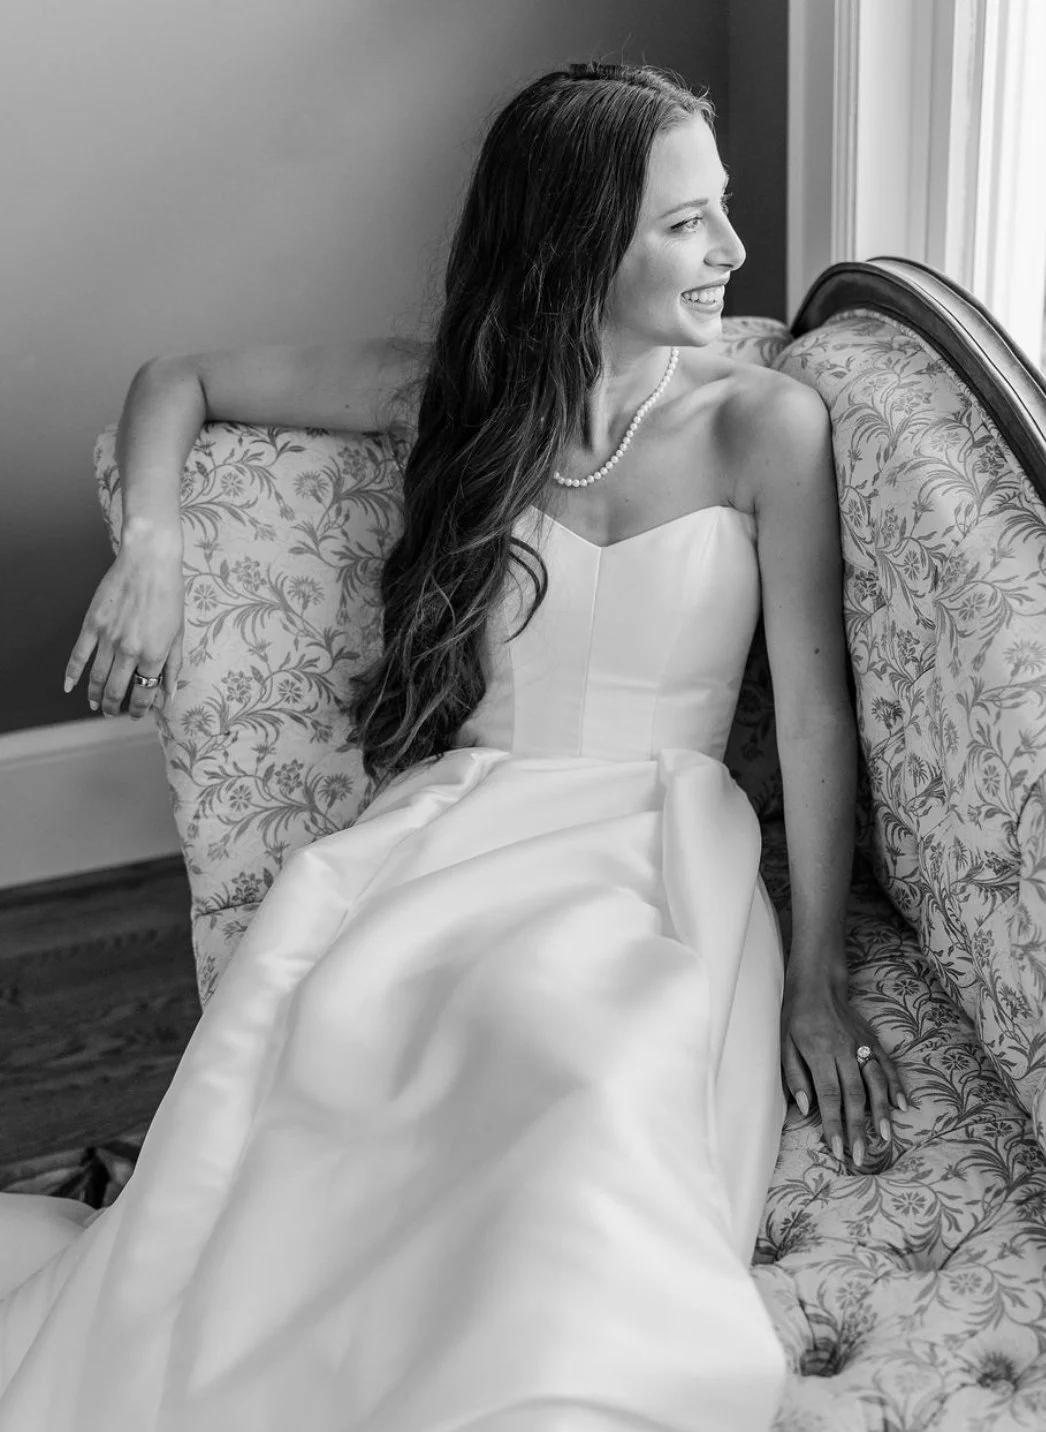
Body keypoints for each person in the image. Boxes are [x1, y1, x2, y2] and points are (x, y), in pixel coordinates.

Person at [3, 61, 906, 1431]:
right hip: (454, 830)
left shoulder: (759, 425)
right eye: (683, 223)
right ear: (574, 238)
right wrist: (157, 546)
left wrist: (817, 978)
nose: (729, 251)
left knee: (575, 1072)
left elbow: (818, 708)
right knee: (354, 1064)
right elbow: (175, 376)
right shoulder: (458, 396)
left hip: (650, 853)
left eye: (717, 214)